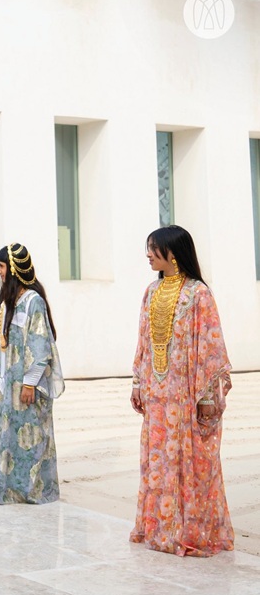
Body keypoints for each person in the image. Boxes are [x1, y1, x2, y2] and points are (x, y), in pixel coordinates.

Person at [129, 225, 233, 557]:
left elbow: (210, 346)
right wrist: (137, 383)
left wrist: (205, 397)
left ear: (171, 253)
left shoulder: (198, 294)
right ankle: (160, 529)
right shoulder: (150, 292)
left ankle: (189, 531)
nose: (147, 254)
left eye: (153, 248)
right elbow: (144, 342)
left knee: (190, 464)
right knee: (159, 462)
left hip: (186, 397)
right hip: (158, 399)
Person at [0, 243, 64, 504]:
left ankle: (32, 490)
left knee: (30, 439)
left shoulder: (32, 302)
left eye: (2, 267)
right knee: (8, 435)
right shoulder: (8, 302)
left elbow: (40, 347)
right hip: (7, 384)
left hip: (26, 386)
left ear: (14, 270)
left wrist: (29, 384)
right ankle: (10, 488)